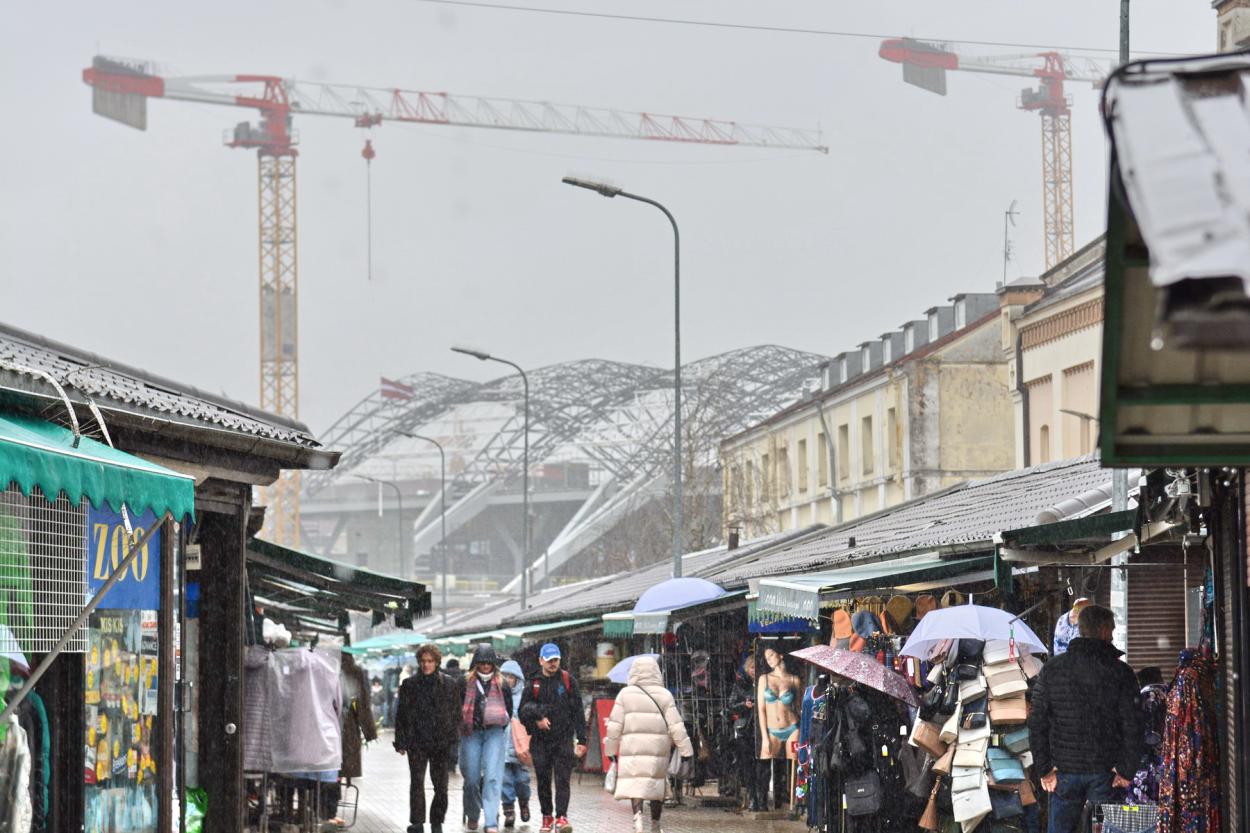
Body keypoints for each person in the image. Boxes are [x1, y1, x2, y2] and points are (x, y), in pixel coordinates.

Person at [1029, 604, 1144, 833]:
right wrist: (1126, 769)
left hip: (1064, 777)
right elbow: (1133, 724)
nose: (1112, 635)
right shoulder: (1120, 672)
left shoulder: (1053, 669)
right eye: (1111, 629)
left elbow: (1037, 722)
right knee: (1105, 828)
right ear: (1101, 630)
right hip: (1106, 776)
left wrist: (1044, 769)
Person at [604, 656, 693, 833]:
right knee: (655, 784)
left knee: (636, 783)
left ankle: (637, 816)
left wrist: (610, 750)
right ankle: (655, 824)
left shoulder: (625, 694)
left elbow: (615, 726)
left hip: (632, 748)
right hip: (658, 748)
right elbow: (676, 726)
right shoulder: (665, 695)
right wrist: (686, 751)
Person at [519, 643, 587, 833]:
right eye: (549, 660)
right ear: (541, 661)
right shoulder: (533, 683)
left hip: (564, 739)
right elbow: (522, 713)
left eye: (555, 660)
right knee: (543, 780)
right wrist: (537, 722)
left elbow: (578, 712)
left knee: (563, 779)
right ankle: (547, 816)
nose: (552, 664)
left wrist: (582, 740)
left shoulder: (567, 680)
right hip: (540, 741)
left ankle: (562, 817)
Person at [394, 643, 462, 833]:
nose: (426, 665)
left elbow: (457, 713)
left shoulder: (449, 684)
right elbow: (401, 715)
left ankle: (437, 820)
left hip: (441, 742)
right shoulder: (409, 685)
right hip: (417, 741)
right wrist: (401, 741)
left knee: (441, 785)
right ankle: (417, 822)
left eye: (430, 661)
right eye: (423, 661)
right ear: (419, 662)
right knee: (417, 782)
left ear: (437, 662)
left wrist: (453, 736)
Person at [459, 645, 514, 833]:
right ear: (475, 663)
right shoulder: (464, 682)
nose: (485, 666)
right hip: (471, 732)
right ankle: (473, 813)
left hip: (494, 732)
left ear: (494, 664)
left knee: (492, 776)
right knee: (472, 778)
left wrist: (497, 724)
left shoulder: (502, 683)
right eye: (481, 663)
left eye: (488, 663)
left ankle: (491, 821)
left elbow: (509, 709)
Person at [726, 655, 762, 810]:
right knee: (747, 765)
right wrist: (744, 705)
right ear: (748, 669)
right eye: (752, 668)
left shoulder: (764, 683)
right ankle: (751, 796)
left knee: (760, 766)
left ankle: (761, 797)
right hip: (744, 730)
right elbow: (731, 705)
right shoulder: (740, 684)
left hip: (760, 730)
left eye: (757, 667)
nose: (754, 671)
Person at [500, 660, 532, 828]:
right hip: (502, 748)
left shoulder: (524, 697)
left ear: (517, 679)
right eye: (504, 676)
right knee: (505, 780)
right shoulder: (497, 696)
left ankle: (524, 802)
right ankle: (509, 809)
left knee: (522, 780)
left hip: (520, 748)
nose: (507, 680)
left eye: (511, 677)